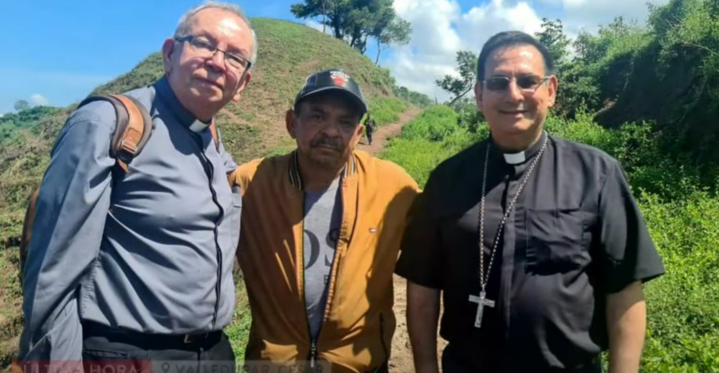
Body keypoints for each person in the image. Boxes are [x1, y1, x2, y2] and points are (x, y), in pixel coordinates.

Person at [395, 31, 665, 373]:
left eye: (527, 81)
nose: (513, 94)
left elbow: (624, 288)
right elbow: (422, 285)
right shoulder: (447, 179)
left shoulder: (596, 173)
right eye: (497, 82)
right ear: (478, 95)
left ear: (550, 91)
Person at [17, 1, 256, 371]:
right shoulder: (109, 124)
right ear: (170, 53)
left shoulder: (213, 141)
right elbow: (52, 274)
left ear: (242, 84)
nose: (217, 61)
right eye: (204, 44)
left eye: (235, 57)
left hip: (210, 355)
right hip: (128, 355)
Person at [230, 68, 420, 373]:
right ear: (292, 123)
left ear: (358, 134)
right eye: (317, 116)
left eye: (345, 122)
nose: (331, 131)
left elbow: (441, 239)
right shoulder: (251, 183)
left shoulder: (393, 186)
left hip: (360, 366)